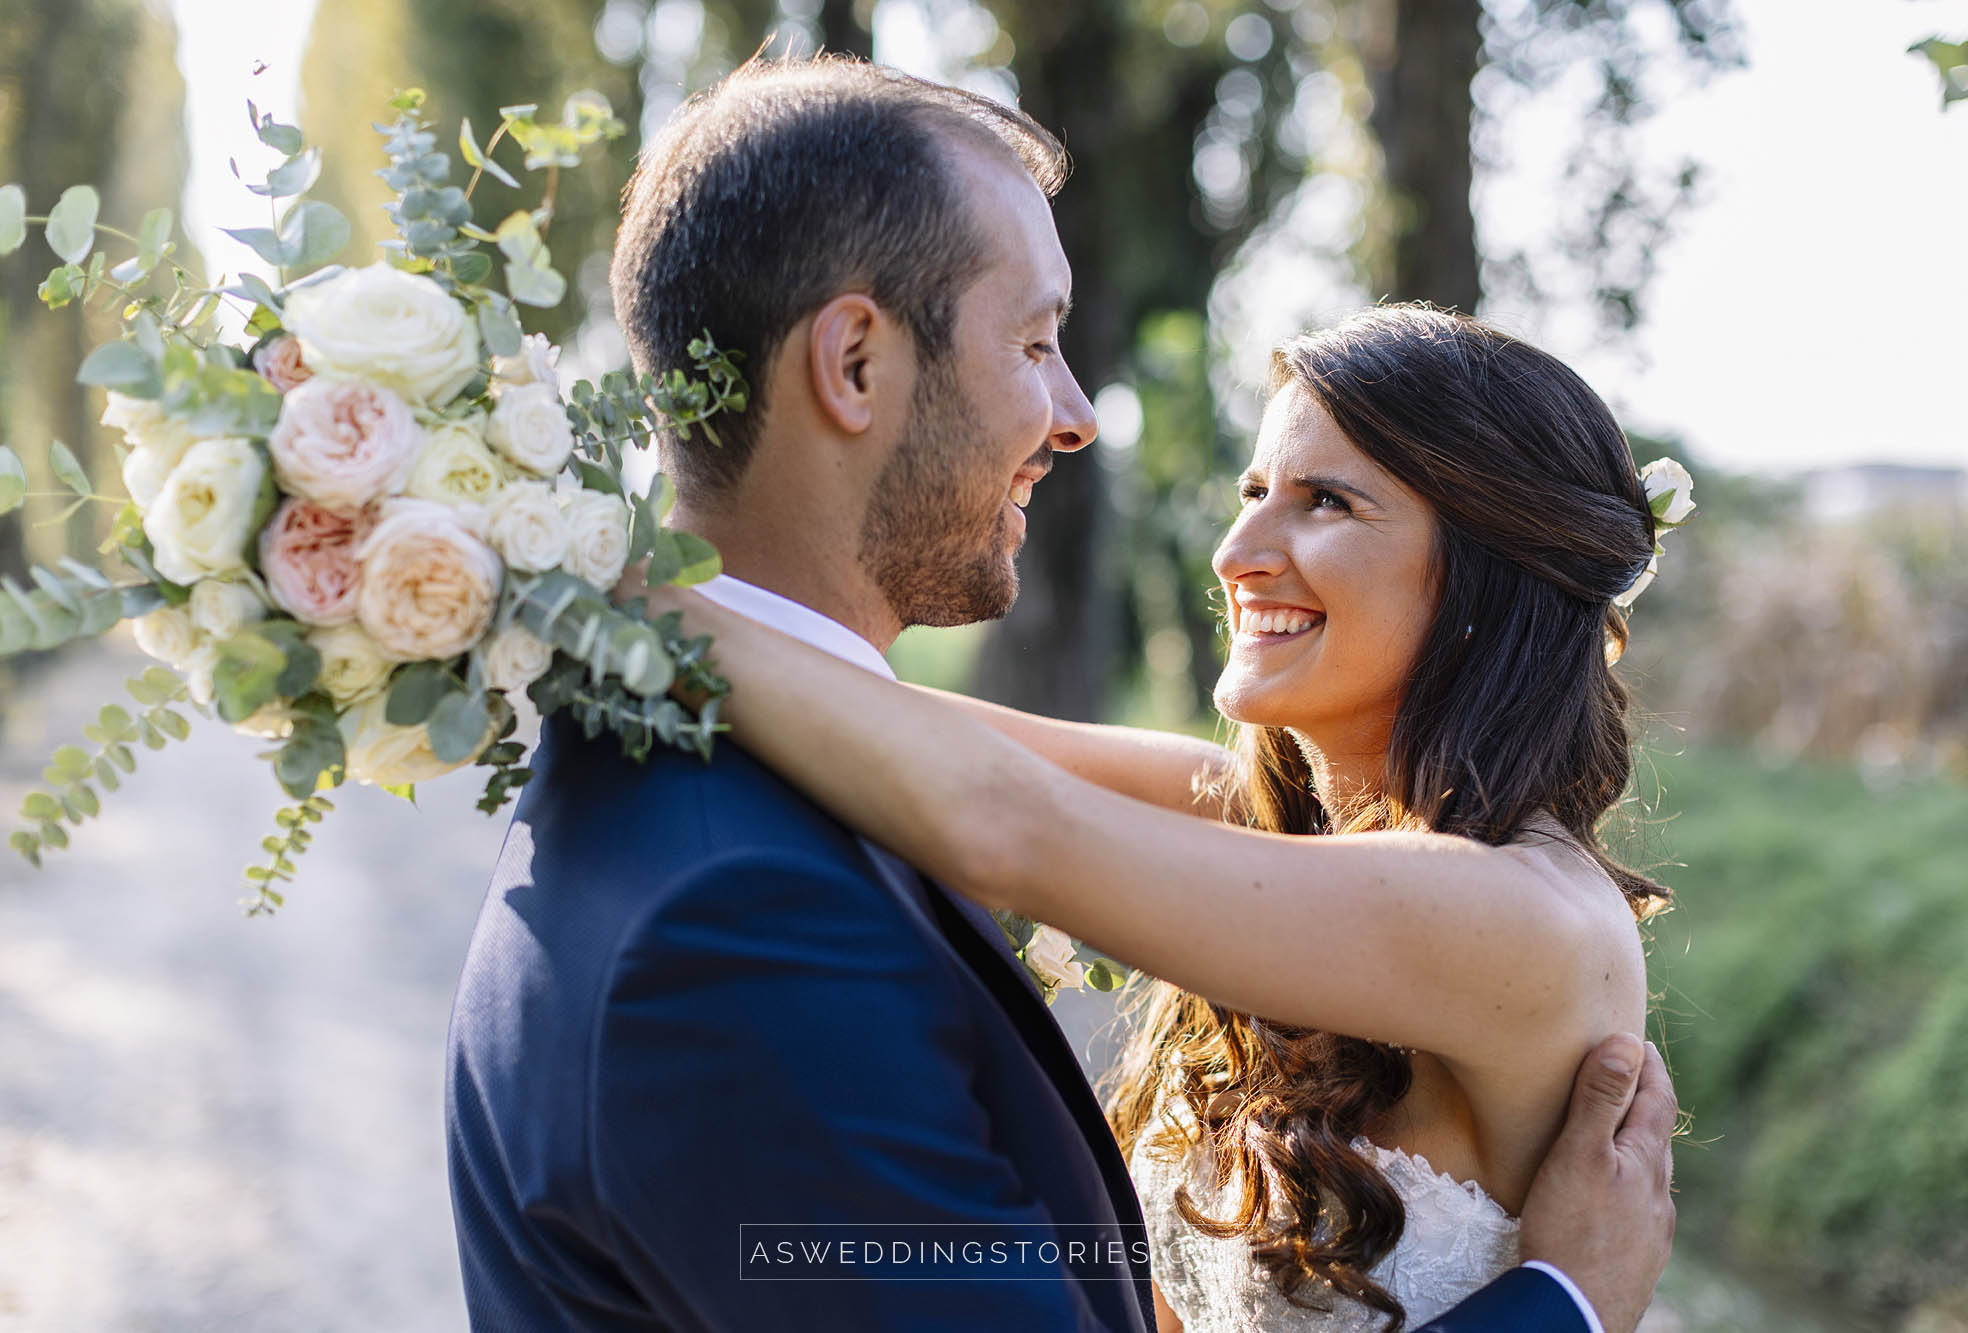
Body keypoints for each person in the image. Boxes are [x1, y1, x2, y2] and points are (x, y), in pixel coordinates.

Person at [445, 56, 1676, 1332]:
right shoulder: (1262, 825)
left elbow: (1003, 818)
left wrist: (604, 591)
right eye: (1256, 491)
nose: (1238, 548)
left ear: (1488, 570)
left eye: (1327, 501)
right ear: (853, 361)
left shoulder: (1522, 918)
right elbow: (939, 743)